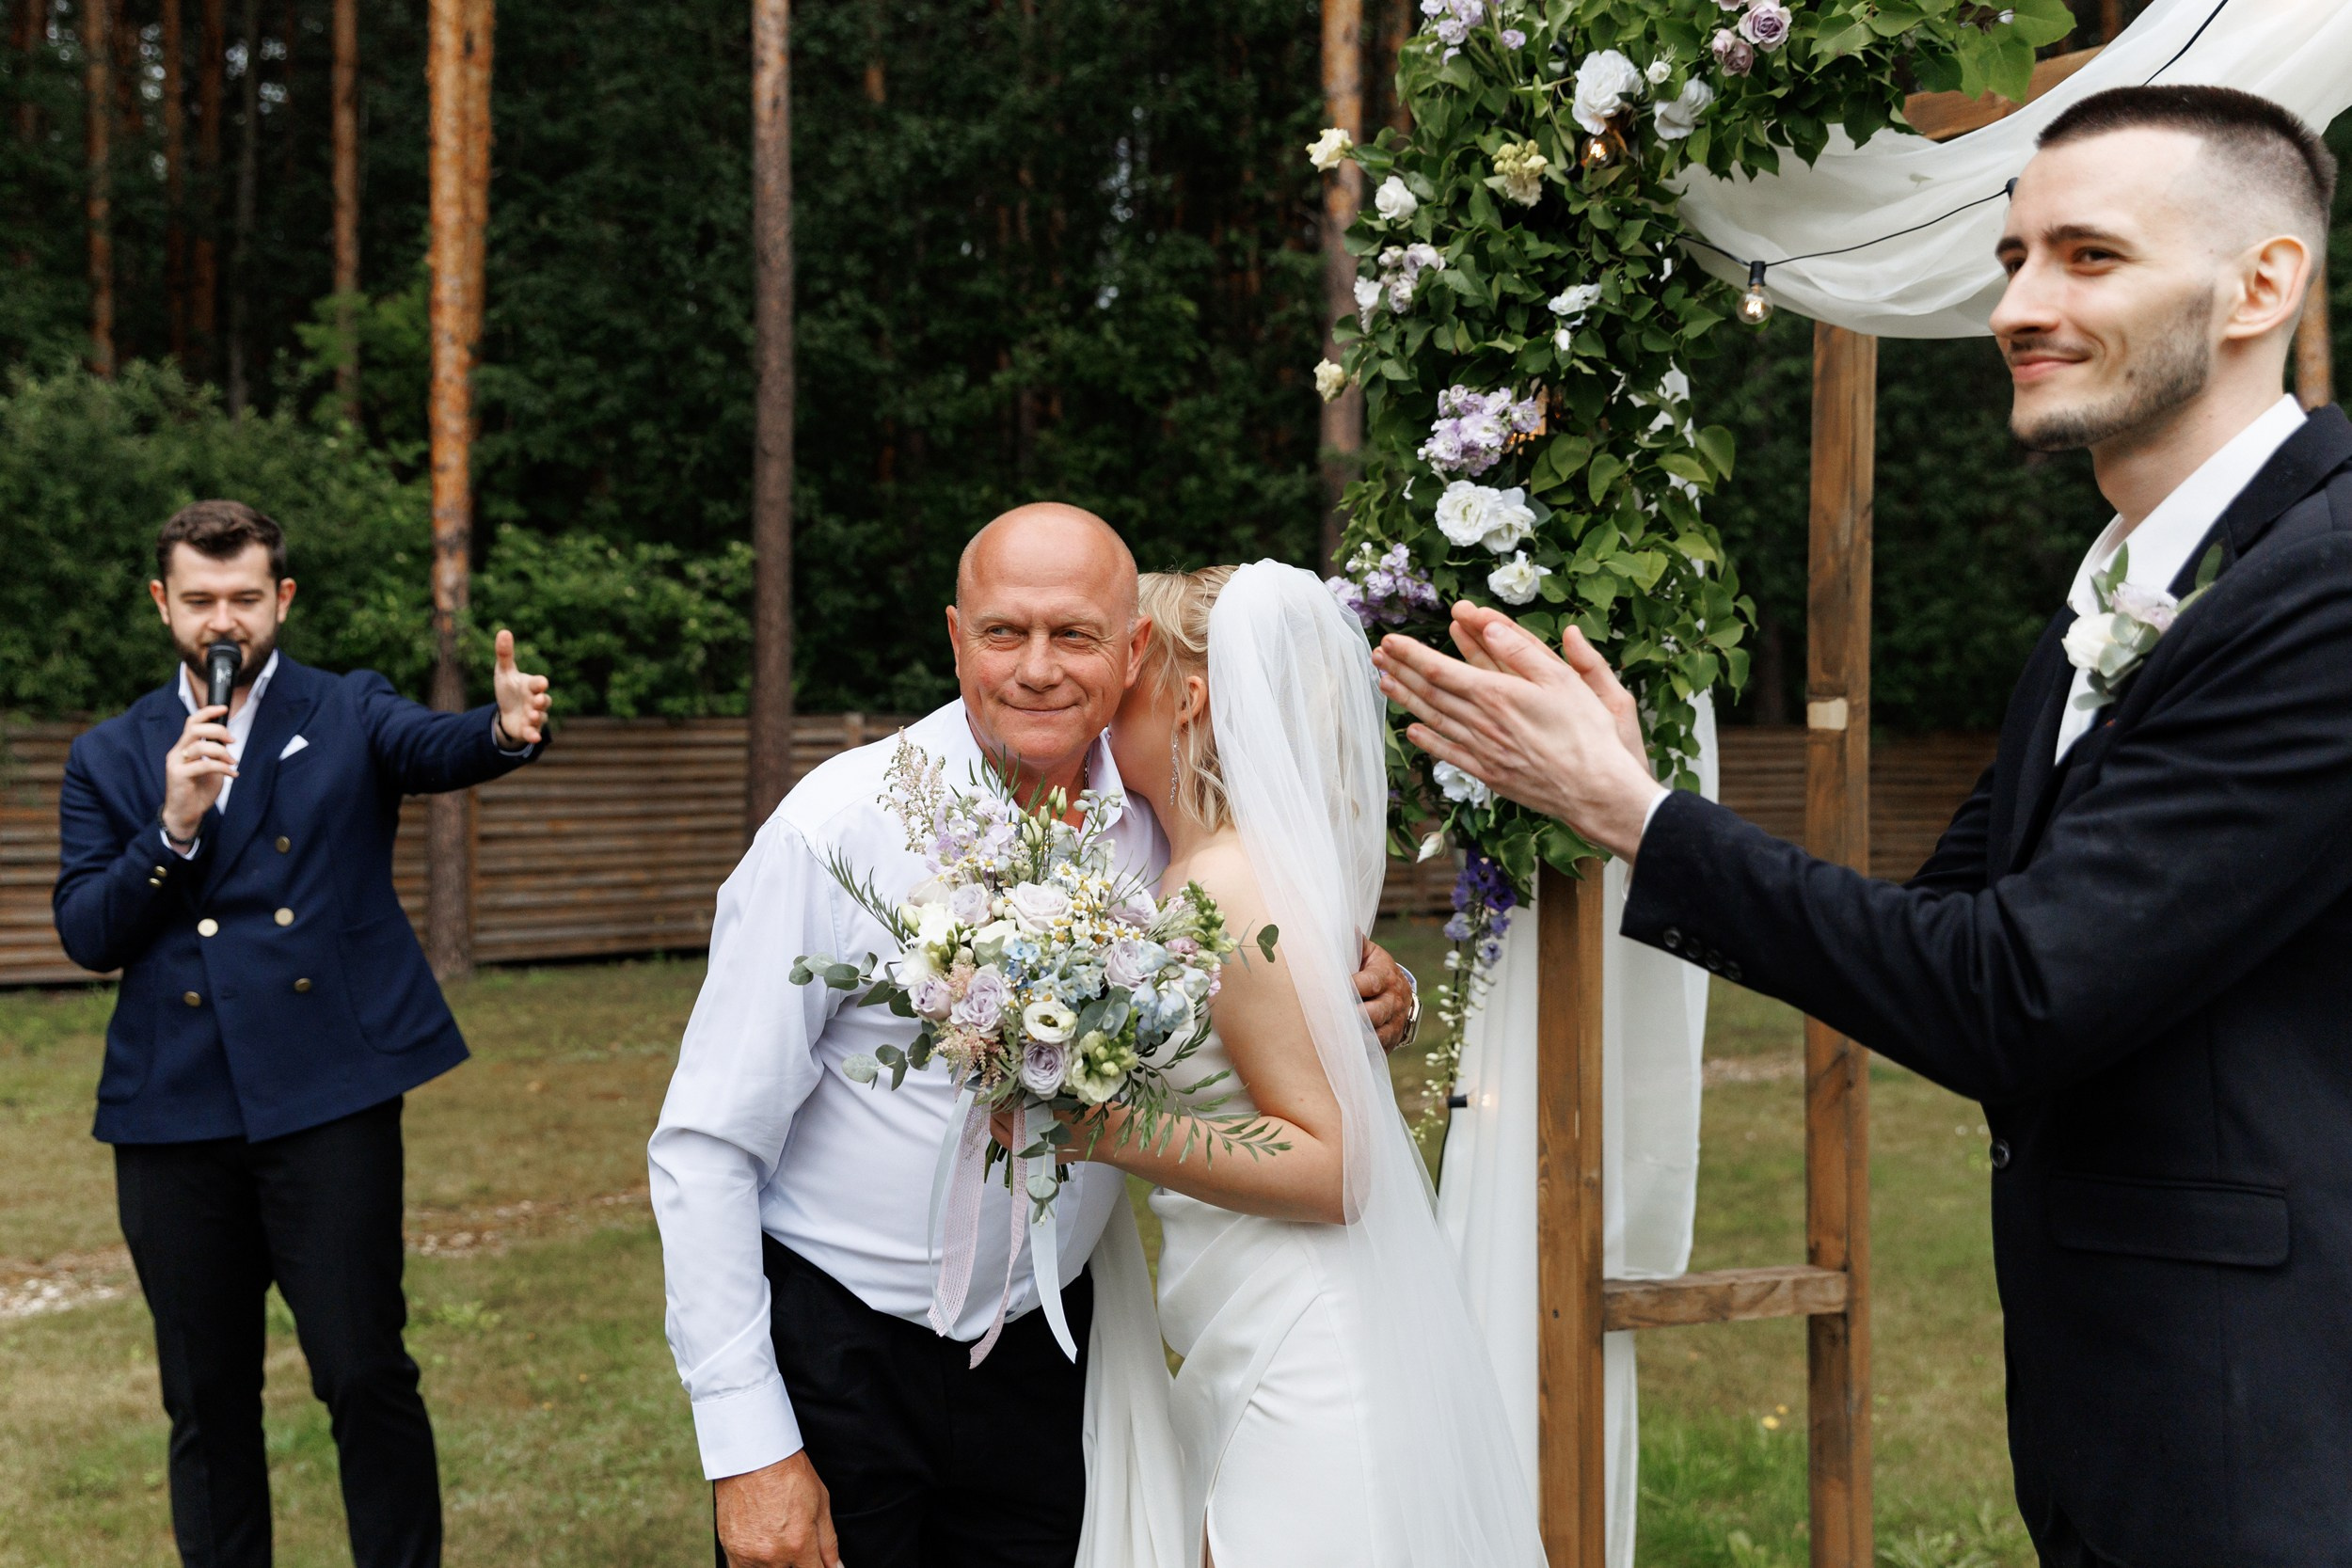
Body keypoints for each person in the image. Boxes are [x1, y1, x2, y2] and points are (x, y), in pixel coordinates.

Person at [1371, 85, 2351, 1568]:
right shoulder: (2117, 595)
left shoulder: (2320, 594)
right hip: (2137, 1390)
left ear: (2261, 284)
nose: (2020, 302)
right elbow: (1936, 933)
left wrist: (1629, 811)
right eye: (2014, 258)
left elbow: (2013, 992)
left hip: (2265, 1406)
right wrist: (1649, 799)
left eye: (2088, 258)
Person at [648, 504, 1420, 1568]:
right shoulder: (836, 829)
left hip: (1051, 1357)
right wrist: (748, 1449)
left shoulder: (1161, 821)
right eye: (1005, 633)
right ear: (956, 637)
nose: (1038, 669)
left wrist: (1384, 985)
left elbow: (1270, 950)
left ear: (1135, 649)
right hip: (842, 1348)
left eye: (1075, 635)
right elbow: (705, 1145)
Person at [53, 499, 554, 1568]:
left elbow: (430, 745)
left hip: (327, 1090)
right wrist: (172, 825)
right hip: (173, 1106)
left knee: (365, 1369)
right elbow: (88, 932)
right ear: (163, 605)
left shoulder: (346, 708)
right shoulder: (110, 754)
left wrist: (502, 731)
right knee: (205, 1394)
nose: (221, 621)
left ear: (280, 597)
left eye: (243, 597)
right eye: (198, 600)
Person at [1036, 561, 1543, 1568]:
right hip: (1246, 1318)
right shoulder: (1193, 861)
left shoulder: (1231, 885)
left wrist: (1101, 1125)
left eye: (1131, 675)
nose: (1099, 698)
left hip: (1304, 1341)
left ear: (1188, 698)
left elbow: (1336, 1165)